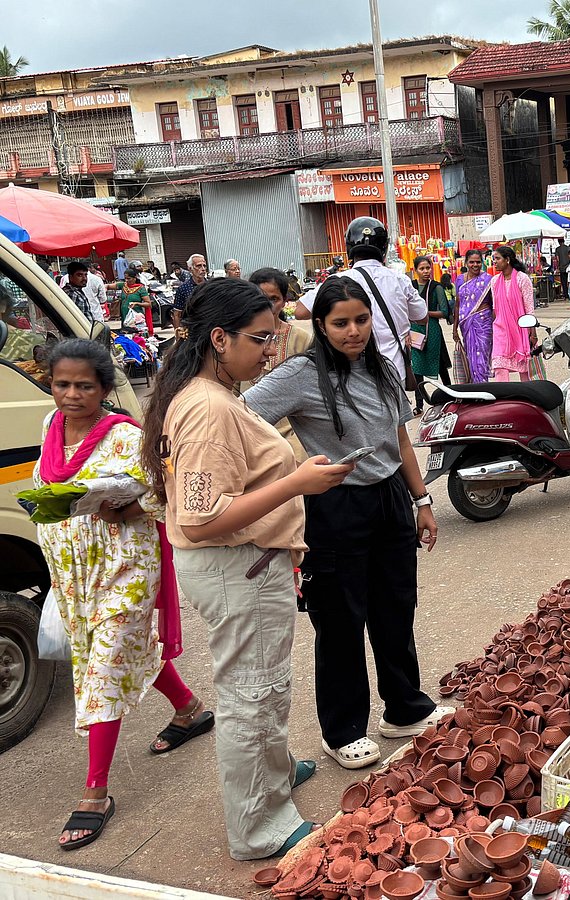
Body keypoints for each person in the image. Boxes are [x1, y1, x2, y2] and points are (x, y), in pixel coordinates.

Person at [141, 278, 353, 860]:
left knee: (262, 686)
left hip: (242, 565)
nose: (270, 349)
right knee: (250, 694)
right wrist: (297, 483)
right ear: (218, 338)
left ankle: (276, 774)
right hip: (239, 568)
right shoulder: (208, 407)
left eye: (275, 334)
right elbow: (205, 515)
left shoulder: (200, 393)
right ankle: (258, 825)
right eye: (260, 338)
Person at [244, 276, 451, 771]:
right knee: (339, 623)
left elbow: (399, 441)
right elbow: (240, 419)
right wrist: (286, 476)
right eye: (340, 323)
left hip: (390, 503)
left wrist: (421, 501)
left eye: (361, 320)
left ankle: (405, 709)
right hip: (335, 508)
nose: (353, 331)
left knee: (395, 609)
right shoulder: (299, 375)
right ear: (320, 325)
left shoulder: (380, 364)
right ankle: (343, 731)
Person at [36, 339, 210, 851]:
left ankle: (95, 792)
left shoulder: (127, 436)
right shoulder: (49, 427)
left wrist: (129, 511)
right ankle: (189, 709)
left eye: (83, 386)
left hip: (125, 565)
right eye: (62, 384)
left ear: (105, 388)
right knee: (123, 650)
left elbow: (168, 489)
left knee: (106, 664)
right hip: (74, 572)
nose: (71, 395)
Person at [298, 219, 427, 383]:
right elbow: (422, 316)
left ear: (349, 247)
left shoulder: (338, 280)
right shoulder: (400, 280)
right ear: (384, 248)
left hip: (352, 374)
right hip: (394, 371)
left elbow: (300, 311)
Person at [248, 267, 313, 376]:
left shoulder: (302, 339)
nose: (268, 305)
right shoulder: (240, 336)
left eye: (274, 299)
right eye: (261, 298)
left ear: (284, 301)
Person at [410, 255, 454, 411]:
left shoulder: (437, 287)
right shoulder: (411, 286)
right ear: (415, 270)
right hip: (415, 330)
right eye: (421, 268)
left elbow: (443, 311)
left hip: (432, 329)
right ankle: (419, 404)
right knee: (416, 367)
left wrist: (424, 313)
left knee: (439, 363)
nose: (425, 271)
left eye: (428, 268)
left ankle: (451, 395)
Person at [489, 245, 536, 381]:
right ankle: (503, 398)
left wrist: (533, 333)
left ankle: (527, 396)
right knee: (499, 365)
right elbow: (495, 308)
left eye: (497, 258)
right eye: (494, 259)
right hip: (501, 330)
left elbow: (529, 308)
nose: (495, 262)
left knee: (524, 368)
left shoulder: (522, 279)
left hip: (520, 329)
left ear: (507, 260)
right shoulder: (494, 281)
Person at [453, 249, 494, 384]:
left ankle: (483, 387)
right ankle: (476, 389)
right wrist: (454, 329)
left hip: (484, 324)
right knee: (471, 357)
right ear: (466, 263)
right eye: (471, 262)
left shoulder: (488, 280)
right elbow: (458, 305)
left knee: (482, 357)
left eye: (478, 262)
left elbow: (494, 304)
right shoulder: (459, 280)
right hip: (466, 325)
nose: (475, 265)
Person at [109, 266, 154, 336]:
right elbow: (108, 286)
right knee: (127, 335)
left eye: (128, 278)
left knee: (137, 336)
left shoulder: (141, 288)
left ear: (134, 278)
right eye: (125, 278)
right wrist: (105, 287)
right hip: (125, 316)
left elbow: (148, 304)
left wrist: (137, 303)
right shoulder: (123, 285)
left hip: (136, 317)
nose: (126, 280)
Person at [172, 253, 208, 330]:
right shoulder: (183, 289)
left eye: (204, 265)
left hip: (210, 329)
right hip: (192, 330)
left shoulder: (212, 286)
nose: (203, 269)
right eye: (198, 266)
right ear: (190, 268)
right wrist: (178, 334)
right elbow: (177, 314)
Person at [554, 236, 570, 302]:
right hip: (569, 268)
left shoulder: (557, 249)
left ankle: (565, 295)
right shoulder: (568, 248)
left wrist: (558, 267)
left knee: (563, 283)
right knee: (569, 282)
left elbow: (557, 259)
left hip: (562, 268)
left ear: (558, 242)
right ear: (564, 241)